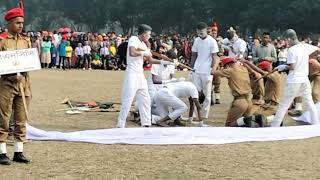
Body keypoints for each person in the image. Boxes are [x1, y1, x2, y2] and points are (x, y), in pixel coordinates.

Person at [116, 24, 178, 128]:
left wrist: (166, 62)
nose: (149, 36)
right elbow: (132, 52)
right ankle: (120, 124)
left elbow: (151, 60)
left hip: (140, 74)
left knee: (145, 98)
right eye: (148, 34)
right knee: (128, 98)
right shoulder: (134, 39)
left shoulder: (144, 45)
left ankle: (146, 123)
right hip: (132, 73)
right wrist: (144, 52)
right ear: (143, 34)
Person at [270, 29, 320, 127]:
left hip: (294, 80)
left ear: (289, 38)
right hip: (304, 79)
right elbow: (318, 50)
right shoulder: (305, 46)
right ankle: (316, 124)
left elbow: (292, 66)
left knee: (284, 105)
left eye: (286, 40)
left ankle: (274, 126)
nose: (286, 42)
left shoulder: (291, 50)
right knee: (309, 102)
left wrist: (283, 67)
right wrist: (307, 57)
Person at [0, 6, 31, 165]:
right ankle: (2, 152)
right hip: (5, 84)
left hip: (24, 85)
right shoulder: (2, 40)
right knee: (3, 118)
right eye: (17, 22)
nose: (20, 25)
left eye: (22, 23)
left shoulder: (26, 40)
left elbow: (30, 61)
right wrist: (11, 75)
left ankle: (19, 151)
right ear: (10, 23)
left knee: (21, 119)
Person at [190, 22, 219, 120]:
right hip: (196, 70)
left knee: (207, 95)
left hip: (207, 71)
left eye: (202, 32)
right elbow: (194, 55)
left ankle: (205, 114)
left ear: (207, 30)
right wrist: (191, 69)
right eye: (198, 32)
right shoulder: (196, 40)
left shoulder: (212, 41)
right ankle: (194, 114)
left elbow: (215, 57)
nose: (200, 34)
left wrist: (213, 69)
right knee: (195, 93)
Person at [213, 57, 253, 127]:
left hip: (240, 102)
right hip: (248, 101)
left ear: (227, 65)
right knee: (245, 127)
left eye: (224, 67)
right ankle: (246, 120)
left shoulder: (230, 71)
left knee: (229, 125)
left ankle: (245, 120)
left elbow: (213, 72)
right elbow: (252, 72)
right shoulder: (244, 69)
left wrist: (216, 62)